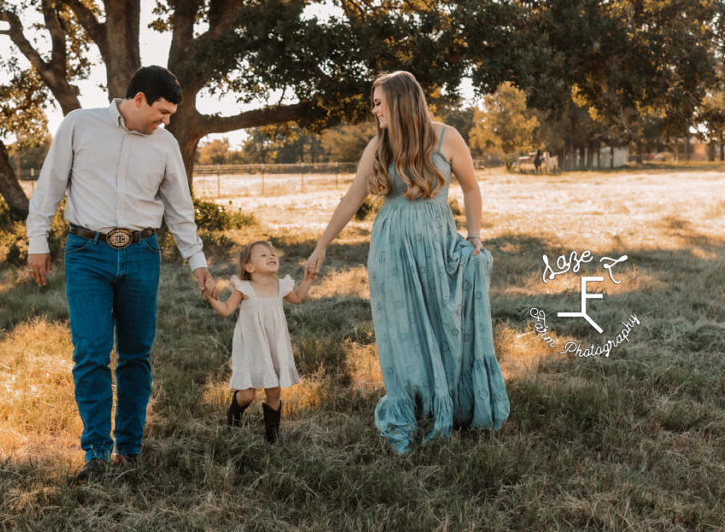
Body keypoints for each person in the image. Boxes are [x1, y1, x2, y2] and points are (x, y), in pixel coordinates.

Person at [305, 70, 510, 454]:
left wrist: (475, 236)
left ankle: (448, 400)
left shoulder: (447, 137)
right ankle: (410, 402)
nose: (375, 111)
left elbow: (471, 187)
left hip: (438, 242)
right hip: (391, 248)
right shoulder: (378, 146)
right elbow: (352, 198)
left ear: (400, 101)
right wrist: (322, 246)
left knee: (443, 321)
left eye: (379, 103)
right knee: (402, 330)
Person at [25, 65, 213, 482]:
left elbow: (181, 210)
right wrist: (37, 241)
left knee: (135, 355)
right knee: (90, 353)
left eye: (170, 116)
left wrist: (196, 261)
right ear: (139, 99)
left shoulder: (164, 144)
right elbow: (49, 185)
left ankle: (128, 450)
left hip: (143, 253)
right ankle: (95, 453)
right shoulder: (79, 125)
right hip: (87, 252)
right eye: (161, 112)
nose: (165, 122)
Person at [204, 240, 317, 443]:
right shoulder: (244, 288)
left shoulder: (280, 285)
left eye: (272, 254)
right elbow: (226, 310)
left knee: (274, 390)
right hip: (251, 347)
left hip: (273, 345)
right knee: (248, 394)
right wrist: (211, 297)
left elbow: (298, 297)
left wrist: (308, 279)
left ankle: (273, 434)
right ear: (249, 267)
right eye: (263, 255)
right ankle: (235, 412)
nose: (271, 256)